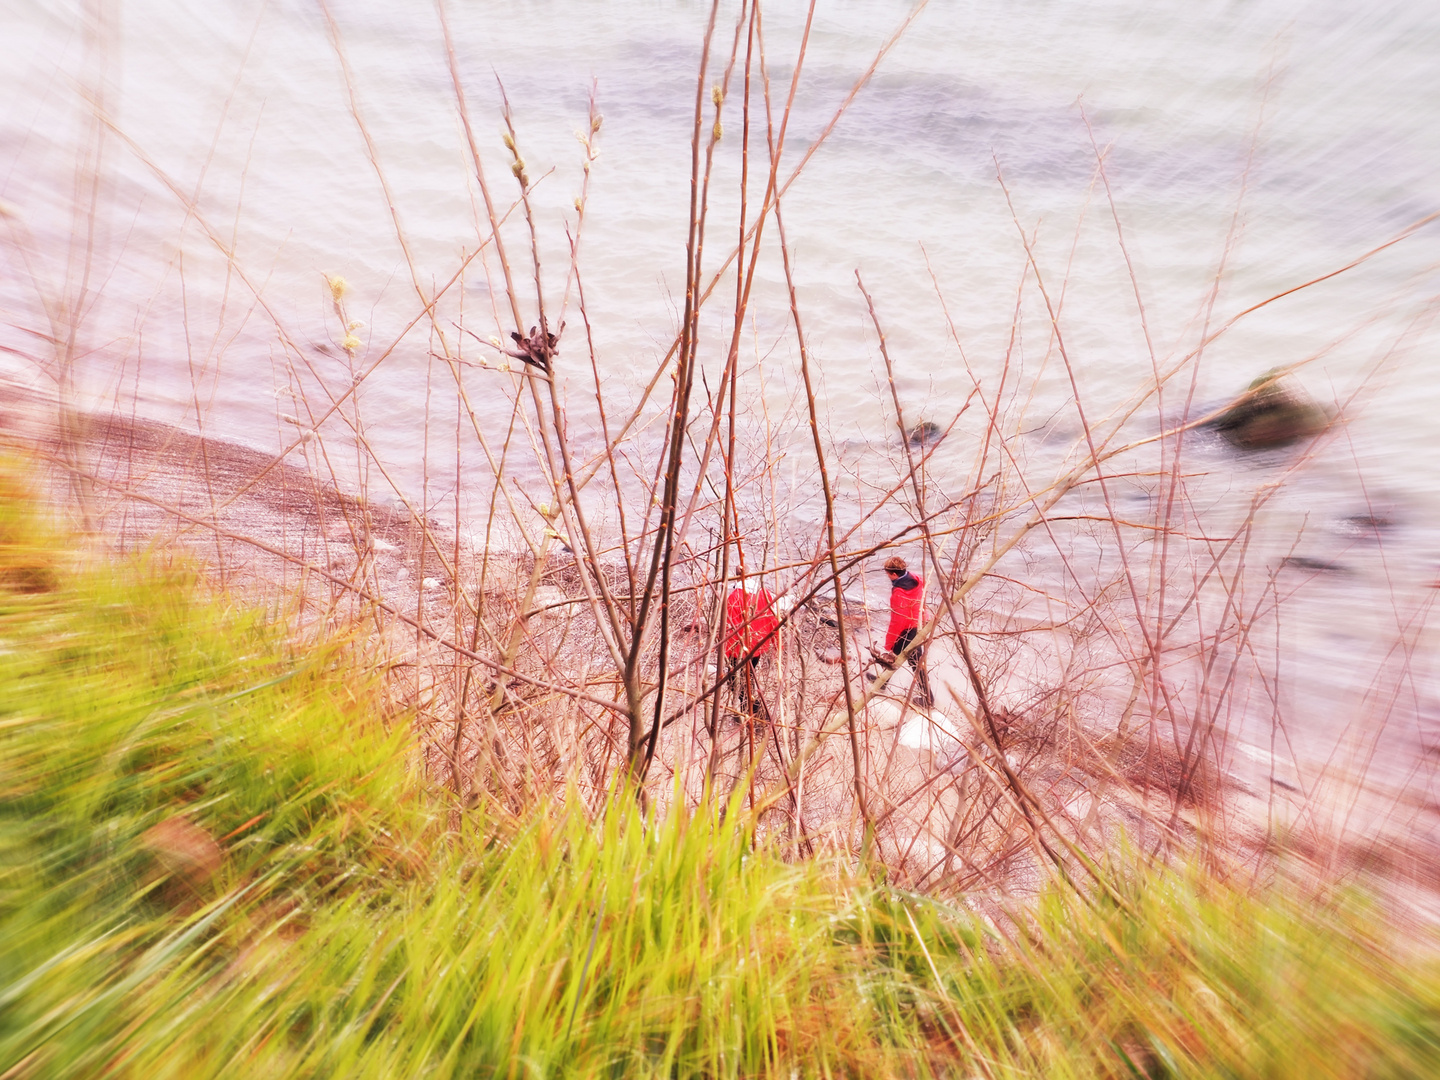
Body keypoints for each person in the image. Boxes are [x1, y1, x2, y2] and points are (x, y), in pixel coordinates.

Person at [882, 555, 933, 707]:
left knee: (899, 659)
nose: (888, 577)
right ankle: (882, 684)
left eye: (888, 574)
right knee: (912, 662)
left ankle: (929, 700)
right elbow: (923, 591)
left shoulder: (898, 593)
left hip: (907, 630)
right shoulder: (916, 579)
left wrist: (889, 643)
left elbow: (897, 621)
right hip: (919, 622)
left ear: (894, 575)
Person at [723, 583, 779, 718]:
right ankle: (750, 711)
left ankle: (753, 713)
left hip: (738, 649)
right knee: (747, 679)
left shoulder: (734, 598)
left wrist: (725, 652)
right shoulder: (763, 593)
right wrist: (777, 642)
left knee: (739, 682)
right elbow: (772, 618)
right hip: (757, 646)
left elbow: (730, 627)